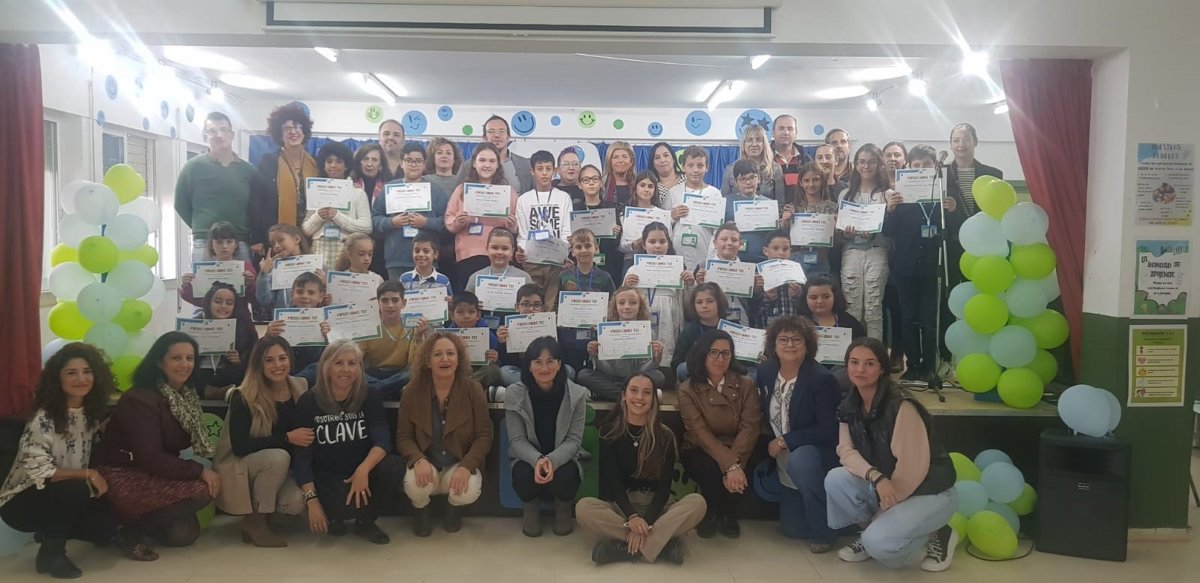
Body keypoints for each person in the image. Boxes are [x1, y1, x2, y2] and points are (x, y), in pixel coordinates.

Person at [1, 343, 154, 578]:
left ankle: (47, 540)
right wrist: (88, 474)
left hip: (59, 494)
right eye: (71, 372)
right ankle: (54, 554)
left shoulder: (88, 413)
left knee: (104, 528)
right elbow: (40, 471)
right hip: (23, 502)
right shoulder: (45, 418)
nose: (81, 378)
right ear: (57, 379)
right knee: (74, 489)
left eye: (87, 371)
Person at [825, 338, 958, 572]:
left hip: (928, 490)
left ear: (882, 369)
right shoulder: (850, 403)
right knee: (836, 479)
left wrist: (882, 510)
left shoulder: (901, 405)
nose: (860, 369)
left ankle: (938, 532)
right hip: (886, 483)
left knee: (879, 545)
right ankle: (870, 534)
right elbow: (845, 451)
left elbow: (911, 470)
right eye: (854, 362)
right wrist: (875, 476)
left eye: (869, 363)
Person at [94, 332, 218, 548]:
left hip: (152, 471)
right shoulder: (140, 399)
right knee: (202, 490)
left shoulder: (185, 396)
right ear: (159, 362)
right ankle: (127, 532)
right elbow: (150, 456)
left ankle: (130, 522)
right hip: (122, 474)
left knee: (183, 535)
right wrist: (199, 470)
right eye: (176, 358)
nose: (185, 364)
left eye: (190, 358)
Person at [577, 373, 706, 565]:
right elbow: (613, 482)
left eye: (646, 393)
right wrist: (632, 517)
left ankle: (624, 550)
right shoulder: (609, 432)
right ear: (624, 395)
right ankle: (660, 547)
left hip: (657, 507)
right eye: (634, 390)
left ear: (653, 399)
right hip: (621, 508)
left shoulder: (665, 435)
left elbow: (664, 488)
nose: (639, 397)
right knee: (584, 508)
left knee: (697, 503)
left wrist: (648, 520)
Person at [292, 340, 404, 544]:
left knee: (394, 466)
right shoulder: (308, 401)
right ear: (326, 366)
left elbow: (382, 441)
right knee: (342, 506)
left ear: (360, 368)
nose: (346, 369)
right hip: (327, 475)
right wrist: (312, 501)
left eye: (352, 363)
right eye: (338, 363)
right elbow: (302, 457)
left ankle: (366, 522)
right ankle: (334, 516)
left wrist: (363, 470)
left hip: (362, 470)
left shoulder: (370, 395)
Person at [213, 336, 308, 547]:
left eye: (282, 358)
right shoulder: (243, 395)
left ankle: (268, 512)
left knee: (295, 502)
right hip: (243, 464)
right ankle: (255, 521)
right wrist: (287, 438)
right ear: (258, 364)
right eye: (269, 360)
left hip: (280, 466)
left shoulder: (301, 386)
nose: (277, 365)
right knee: (278, 457)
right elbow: (240, 446)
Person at [755, 317, 840, 553]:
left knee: (801, 461)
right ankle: (836, 519)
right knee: (792, 529)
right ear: (773, 345)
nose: (790, 345)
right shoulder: (766, 371)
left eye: (796, 340)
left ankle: (826, 531)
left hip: (813, 455)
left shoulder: (822, 379)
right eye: (783, 339)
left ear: (807, 344)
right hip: (783, 458)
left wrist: (786, 440)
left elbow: (828, 431)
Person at [396, 332, 494, 536]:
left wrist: (467, 466)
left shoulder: (473, 389)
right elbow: (403, 437)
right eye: (437, 354)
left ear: (459, 360)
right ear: (428, 362)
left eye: (450, 353)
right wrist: (417, 460)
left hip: (458, 462)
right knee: (414, 484)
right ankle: (421, 508)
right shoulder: (411, 391)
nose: (445, 359)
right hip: (427, 463)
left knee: (468, 489)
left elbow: (484, 436)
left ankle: (454, 508)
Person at [677, 330, 762, 538]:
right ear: (703, 354)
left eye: (726, 353)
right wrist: (730, 465)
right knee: (710, 469)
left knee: (748, 462)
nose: (720, 359)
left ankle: (728, 512)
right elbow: (699, 432)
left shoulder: (746, 384)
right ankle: (712, 510)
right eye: (713, 352)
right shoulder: (687, 389)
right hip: (700, 446)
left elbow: (750, 426)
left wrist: (735, 464)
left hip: (738, 445)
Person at [504, 337, 588, 537]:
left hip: (563, 457)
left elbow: (574, 441)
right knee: (522, 473)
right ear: (529, 366)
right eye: (538, 362)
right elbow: (517, 440)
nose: (544, 368)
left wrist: (551, 460)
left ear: (559, 365)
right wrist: (538, 460)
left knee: (567, 474)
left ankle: (563, 510)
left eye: (550, 361)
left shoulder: (577, 394)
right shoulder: (514, 393)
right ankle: (530, 511)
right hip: (528, 457)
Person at [885, 145, 954, 381]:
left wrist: (952, 211)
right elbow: (888, 232)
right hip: (905, 266)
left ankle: (929, 366)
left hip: (932, 266)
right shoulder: (900, 196)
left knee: (929, 318)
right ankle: (913, 364)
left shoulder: (941, 196)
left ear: (935, 167)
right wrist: (891, 210)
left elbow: (952, 232)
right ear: (909, 167)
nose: (921, 169)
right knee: (908, 318)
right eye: (916, 165)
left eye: (927, 165)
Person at [838, 144, 903, 340]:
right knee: (852, 308)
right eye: (862, 162)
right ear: (856, 165)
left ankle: (875, 355)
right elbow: (840, 232)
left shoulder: (888, 194)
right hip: (851, 252)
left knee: (873, 309)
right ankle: (852, 354)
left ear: (879, 164)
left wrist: (888, 213)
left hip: (877, 251)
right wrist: (847, 233)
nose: (866, 166)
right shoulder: (845, 194)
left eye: (871, 162)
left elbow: (893, 231)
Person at [175, 111, 256, 263]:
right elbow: (180, 203)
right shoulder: (192, 167)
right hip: (204, 242)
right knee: (203, 280)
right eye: (212, 131)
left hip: (240, 243)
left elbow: (257, 207)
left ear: (232, 135)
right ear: (205, 137)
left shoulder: (249, 171)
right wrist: (201, 227)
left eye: (224, 130)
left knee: (246, 280)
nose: (219, 135)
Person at [445, 142, 520, 290]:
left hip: (499, 256)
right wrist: (458, 221)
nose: (487, 165)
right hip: (467, 255)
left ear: (498, 165)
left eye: (492, 161)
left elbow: (519, 226)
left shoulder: (508, 192)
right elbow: (449, 220)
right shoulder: (461, 190)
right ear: (474, 163)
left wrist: (513, 226)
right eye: (482, 160)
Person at [621, 221, 693, 368]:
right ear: (644, 245)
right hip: (640, 322)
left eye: (662, 241)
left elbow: (688, 305)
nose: (657, 246)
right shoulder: (633, 270)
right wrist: (627, 286)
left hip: (668, 322)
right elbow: (621, 302)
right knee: (641, 362)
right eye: (652, 241)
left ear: (668, 244)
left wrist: (690, 284)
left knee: (665, 365)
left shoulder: (678, 270)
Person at [374, 146, 451, 282]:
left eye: (418, 161)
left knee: (425, 295)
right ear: (401, 163)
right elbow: (375, 218)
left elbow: (446, 221)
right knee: (397, 295)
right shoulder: (389, 189)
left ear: (424, 164)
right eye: (409, 160)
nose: (413, 164)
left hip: (428, 259)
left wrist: (426, 222)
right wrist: (392, 222)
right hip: (396, 259)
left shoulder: (435, 190)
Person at [576, 286, 666, 401]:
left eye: (633, 303)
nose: (627, 307)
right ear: (615, 307)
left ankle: (612, 394)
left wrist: (656, 360)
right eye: (621, 303)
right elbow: (607, 370)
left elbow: (644, 370)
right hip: (611, 378)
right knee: (583, 375)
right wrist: (595, 355)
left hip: (637, 379)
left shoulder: (648, 332)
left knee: (658, 376)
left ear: (640, 306)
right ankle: (630, 395)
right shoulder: (605, 331)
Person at [249, 102, 317, 254]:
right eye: (287, 128)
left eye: (297, 127)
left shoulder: (315, 164)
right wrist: (256, 238)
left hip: (309, 235)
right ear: (280, 134)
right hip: (277, 237)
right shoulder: (268, 163)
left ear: (304, 131)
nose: (293, 132)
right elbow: (256, 202)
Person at [945, 123, 1004, 286]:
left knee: (982, 284)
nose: (961, 144)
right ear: (950, 144)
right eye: (956, 140)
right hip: (952, 242)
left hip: (983, 241)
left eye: (966, 139)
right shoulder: (942, 173)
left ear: (975, 142)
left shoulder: (993, 174)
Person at [515, 150, 574, 310]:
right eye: (540, 169)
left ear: (554, 171)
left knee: (550, 305)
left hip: (556, 262)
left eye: (548, 169)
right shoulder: (523, 200)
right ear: (532, 171)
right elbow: (522, 233)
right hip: (532, 261)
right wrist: (522, 250)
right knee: (532, 305)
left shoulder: (563, 197)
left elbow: (566, 230)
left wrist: (563, 254)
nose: (544, 173)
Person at [303, 142, 373, 272]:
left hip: (346, 250)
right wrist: (318, 216)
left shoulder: (358, 193)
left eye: (338, 161)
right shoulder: (316, 191)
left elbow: (367, 227)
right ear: (323, 165)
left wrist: (337, 216)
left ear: (346, 166)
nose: (333, 165)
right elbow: (306, 229)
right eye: (329, 161)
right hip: (319, 249)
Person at [360, 280, 428, 399]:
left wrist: (419, 337)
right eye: (384, 300)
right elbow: (358, 358)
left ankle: (378, 388)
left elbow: (414, 362)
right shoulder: (369, 326)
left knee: (413, 372)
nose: (390, 305)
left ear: (403, 303)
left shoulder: (413, 325)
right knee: (359, 375)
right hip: (375, 373)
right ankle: (383, 388)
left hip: (401, 374)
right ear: (378, 303)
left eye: (395, 300)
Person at [190, 282, 258, 399]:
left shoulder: (243, 329)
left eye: (229, 303)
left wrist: (237, 362)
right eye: (218, 301)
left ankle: (222, 393)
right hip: (200, 376)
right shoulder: (195, 324)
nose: (223, 306)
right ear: (209, 303)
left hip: (230, 378)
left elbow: (251, 367)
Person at [179, 220, 257, 310]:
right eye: (219, 242)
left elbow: (255, 299)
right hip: (212, 317)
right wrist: (186, 286)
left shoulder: (245, 268)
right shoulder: (203, 270)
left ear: (236, 244)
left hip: (240, 316)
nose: (224, 246)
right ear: (211, 245)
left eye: (229, 242)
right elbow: (198, 301)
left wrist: (250, 284)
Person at [666, 146, 723, 270]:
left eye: (700, 166)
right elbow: (663, 225)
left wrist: (712, 258)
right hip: (677, 255)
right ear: (683, 167)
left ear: (707, 168)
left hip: (704, 254)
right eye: (690, 165)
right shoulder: (673, 192)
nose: (695, 170)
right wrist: (672, 216)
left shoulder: (714, 193)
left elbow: (718, 231)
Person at [779, 163, 839, 277]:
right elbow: (785, 237)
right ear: (801, 183)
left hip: (822, 258)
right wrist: (785, 222)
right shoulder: (793, 208)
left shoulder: (832, 208)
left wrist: (836, 229)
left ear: (822, 181)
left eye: (815, 180)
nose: (811, 184)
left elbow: (837, 242)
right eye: (806, 181)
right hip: (797, 258)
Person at [671, 282, 732, 381]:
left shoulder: (731, 328)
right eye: (699, 302)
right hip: (699, 373)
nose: (704, 306)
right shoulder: (689, 331)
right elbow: (676, 363)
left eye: (710, 301)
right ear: (693, 305)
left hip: (726, 369)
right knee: (683, 369)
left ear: (719, 302)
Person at [456, 115, 533, 192]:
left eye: (501, 131)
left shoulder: (524, 164)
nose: (497, 135)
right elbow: (458, 193)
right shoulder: (468, 166)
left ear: (508, 137)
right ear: (484, 138)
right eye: (491, 131)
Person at [722, 159, 775, 264]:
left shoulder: (769, 204)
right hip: (733, 260)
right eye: (743, 179)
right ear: (736, 182)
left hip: (761, 260)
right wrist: (726, 227)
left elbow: (773, 235)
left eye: (752, 177)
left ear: (759, 179)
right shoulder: (725, 202)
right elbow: (717, 232)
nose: (748, 182)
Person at [749, 230, 804, 329]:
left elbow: (804, 312)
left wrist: (797, 296)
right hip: (764, 330)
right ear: (766, 251)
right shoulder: (757, 278)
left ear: (790, 251)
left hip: (792, 330)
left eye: (785, 249)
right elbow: (751, 312)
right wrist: (761, 295)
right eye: (775, 248)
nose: (781, 253)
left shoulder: (797, 276)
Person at [721, 124, 785, 201]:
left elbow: (780, 203)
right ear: (744, 144)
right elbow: (723, 201)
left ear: (764, 144)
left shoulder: (775, 169)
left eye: (758, 140)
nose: (754, 144)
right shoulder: (731, 169)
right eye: (750, 140)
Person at [798, 273, 868, 342]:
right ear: (805, 299)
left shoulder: (850, 323)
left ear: (835, 297)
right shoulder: (798, 324)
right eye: (813, 297)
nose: (820, 301)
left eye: (826, 297)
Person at [771, 114, 813, 202]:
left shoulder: (806, 160)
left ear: (796, 133)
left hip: (800, 209)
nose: (786, 132)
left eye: (790, 129)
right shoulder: (763, 159)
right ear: (773, 133)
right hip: (769, 209)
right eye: (781, 128)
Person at [601, 141, 637, 208]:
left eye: (625, 157)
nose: (620, 161)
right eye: (616, 157)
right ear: (609, 161)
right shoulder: (601, 184)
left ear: (631, 161)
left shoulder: (638, 183)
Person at [648, 141, 683, 208]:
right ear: (653, 164)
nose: (662, 160)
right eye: (657, 157)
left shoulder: (687, 179)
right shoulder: (652, 187)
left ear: (674, 159)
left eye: (666, 155)